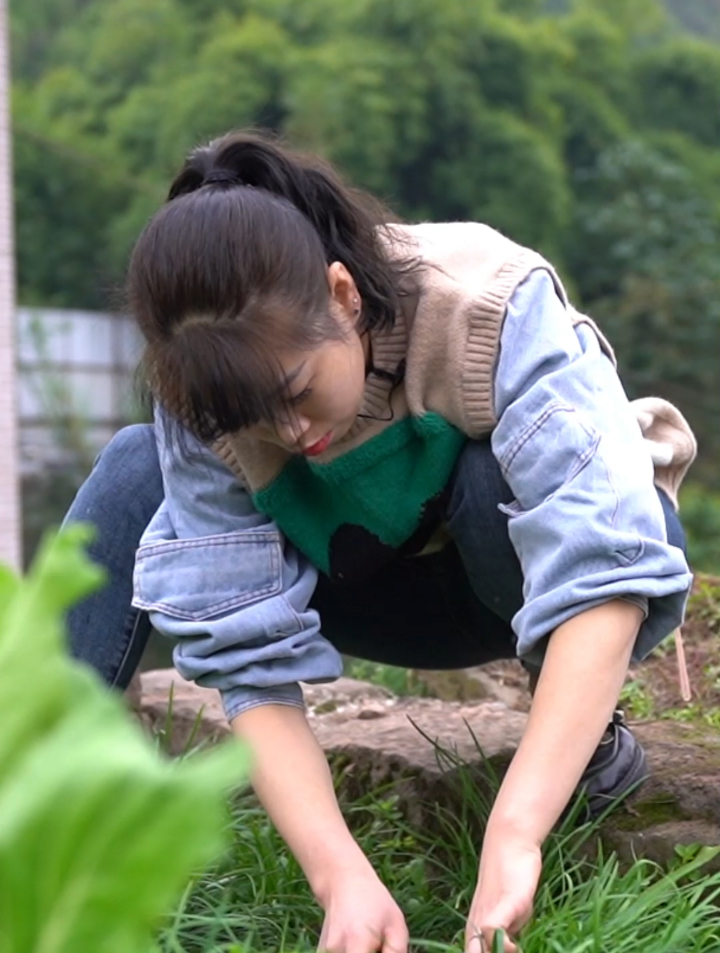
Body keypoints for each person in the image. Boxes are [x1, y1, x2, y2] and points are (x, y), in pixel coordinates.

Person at [64, 130, 696, 953]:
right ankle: (36, 784)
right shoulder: (204, 394)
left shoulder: (487, 302)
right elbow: (244, 648)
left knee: (484, 474)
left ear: (343, 296)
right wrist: (342, 878)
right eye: (254, 416)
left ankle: (577, 735)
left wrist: (515, 828)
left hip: (507, 581)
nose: (289, 432)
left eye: (294, 391)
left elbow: (604, 558)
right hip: (354, 580)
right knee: (130, 465)